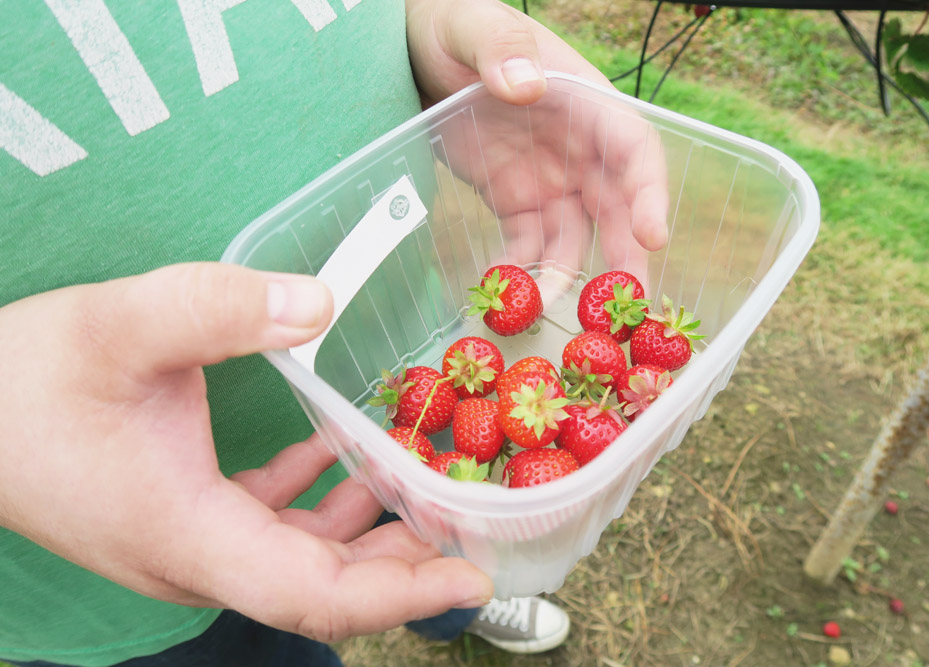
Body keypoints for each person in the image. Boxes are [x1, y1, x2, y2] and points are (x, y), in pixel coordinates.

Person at [0, 0, 668, 665]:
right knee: (266, 631)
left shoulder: (445, 395)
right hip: (110, 526)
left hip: (402, 371)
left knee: (448, 522)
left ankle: (461, 605)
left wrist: (421, 28)